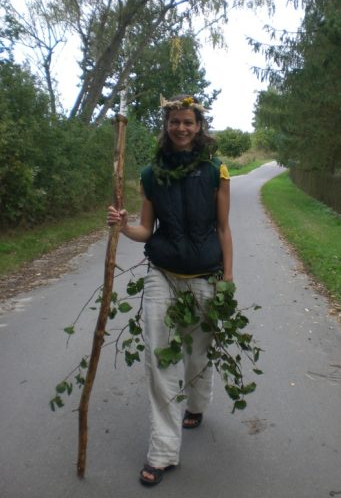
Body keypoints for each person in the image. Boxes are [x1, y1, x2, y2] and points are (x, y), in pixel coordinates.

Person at [107, 94, 233, 486]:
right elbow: (146, 230)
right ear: (166, 126)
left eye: (188, 122)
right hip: (161, 273)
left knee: (198, 351)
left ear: (199, 127)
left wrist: (228, 281)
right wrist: (123, 226)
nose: (181, 127)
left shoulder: (216, 171)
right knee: (159, 356)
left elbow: (223, 229)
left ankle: (196, 404)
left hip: (205, 276)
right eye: (174, 121)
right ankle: (162, 450)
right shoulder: (149, 175)